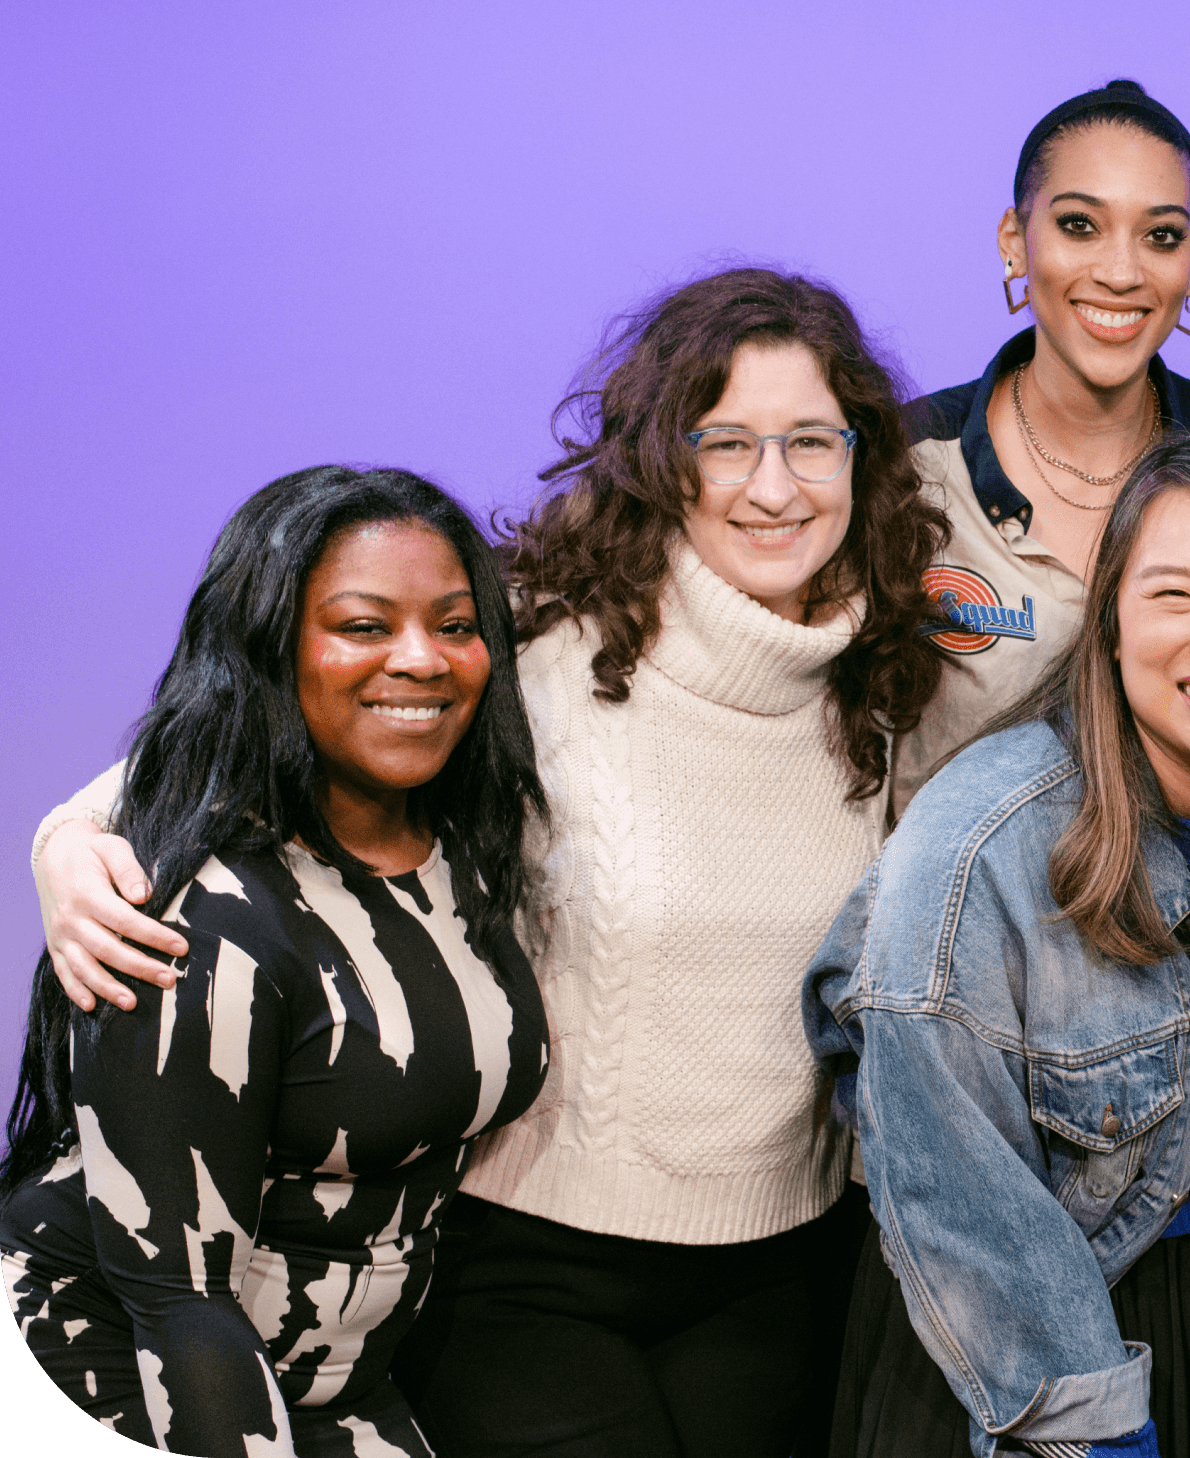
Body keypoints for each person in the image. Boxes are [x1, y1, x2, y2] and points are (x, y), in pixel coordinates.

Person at [32, 267, 947, 1457]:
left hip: (780, 1269)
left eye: (811, 441)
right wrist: (66, 845)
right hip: (519, 1268)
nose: (773, 485)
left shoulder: (885, 676)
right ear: (660, 459)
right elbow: (246, 727)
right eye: (725, 441)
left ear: (863, 456)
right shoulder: (540, 632)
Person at [804, 428, 1190, 1458]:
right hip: (1032, 1331)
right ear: (1108, 624)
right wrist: (1088, 1429)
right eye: (1172, 595)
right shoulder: (974, 851)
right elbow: (954, 1194)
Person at [1, 466, 549, 1457]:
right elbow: (178, 1297)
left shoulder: (465, 848)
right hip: (123, 1369)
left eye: (455, 625)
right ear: (268, 649)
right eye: (365, 625)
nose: (421, 658)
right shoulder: (202, 918)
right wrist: (63, 837)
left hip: (327, 1378)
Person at [894, 78, 1190, 807]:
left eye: (1161, 236)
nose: (1120, 273)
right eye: (1080, 225)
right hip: (946, 881)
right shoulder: (908, 459)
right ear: (1015, 240)